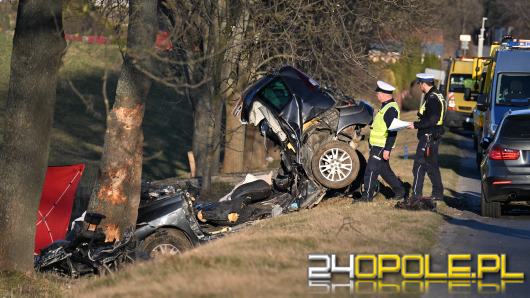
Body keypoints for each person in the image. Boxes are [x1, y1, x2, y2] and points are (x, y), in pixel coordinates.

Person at [357, 80, 405, 202]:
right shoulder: (385, 106)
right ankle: (400, 191)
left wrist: (387, 149)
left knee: (371, 170)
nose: (377, 95)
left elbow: (393, 131)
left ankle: (366, 197)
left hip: (381, 146)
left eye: (378, 93)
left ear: (384, 94)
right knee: (385, 171)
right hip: (377, 145)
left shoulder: (390, 109)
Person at [407, 73, 446, 201]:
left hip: (429, 136)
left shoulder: (432, 99)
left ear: (424, 83)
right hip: (433, 135)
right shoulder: (435, 95)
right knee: (431, 165)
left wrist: (416, 125)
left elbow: (433, 119)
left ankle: (416, 195)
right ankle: (438, 193)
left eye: (420, 84)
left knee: (419, 165)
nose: (419, 87)